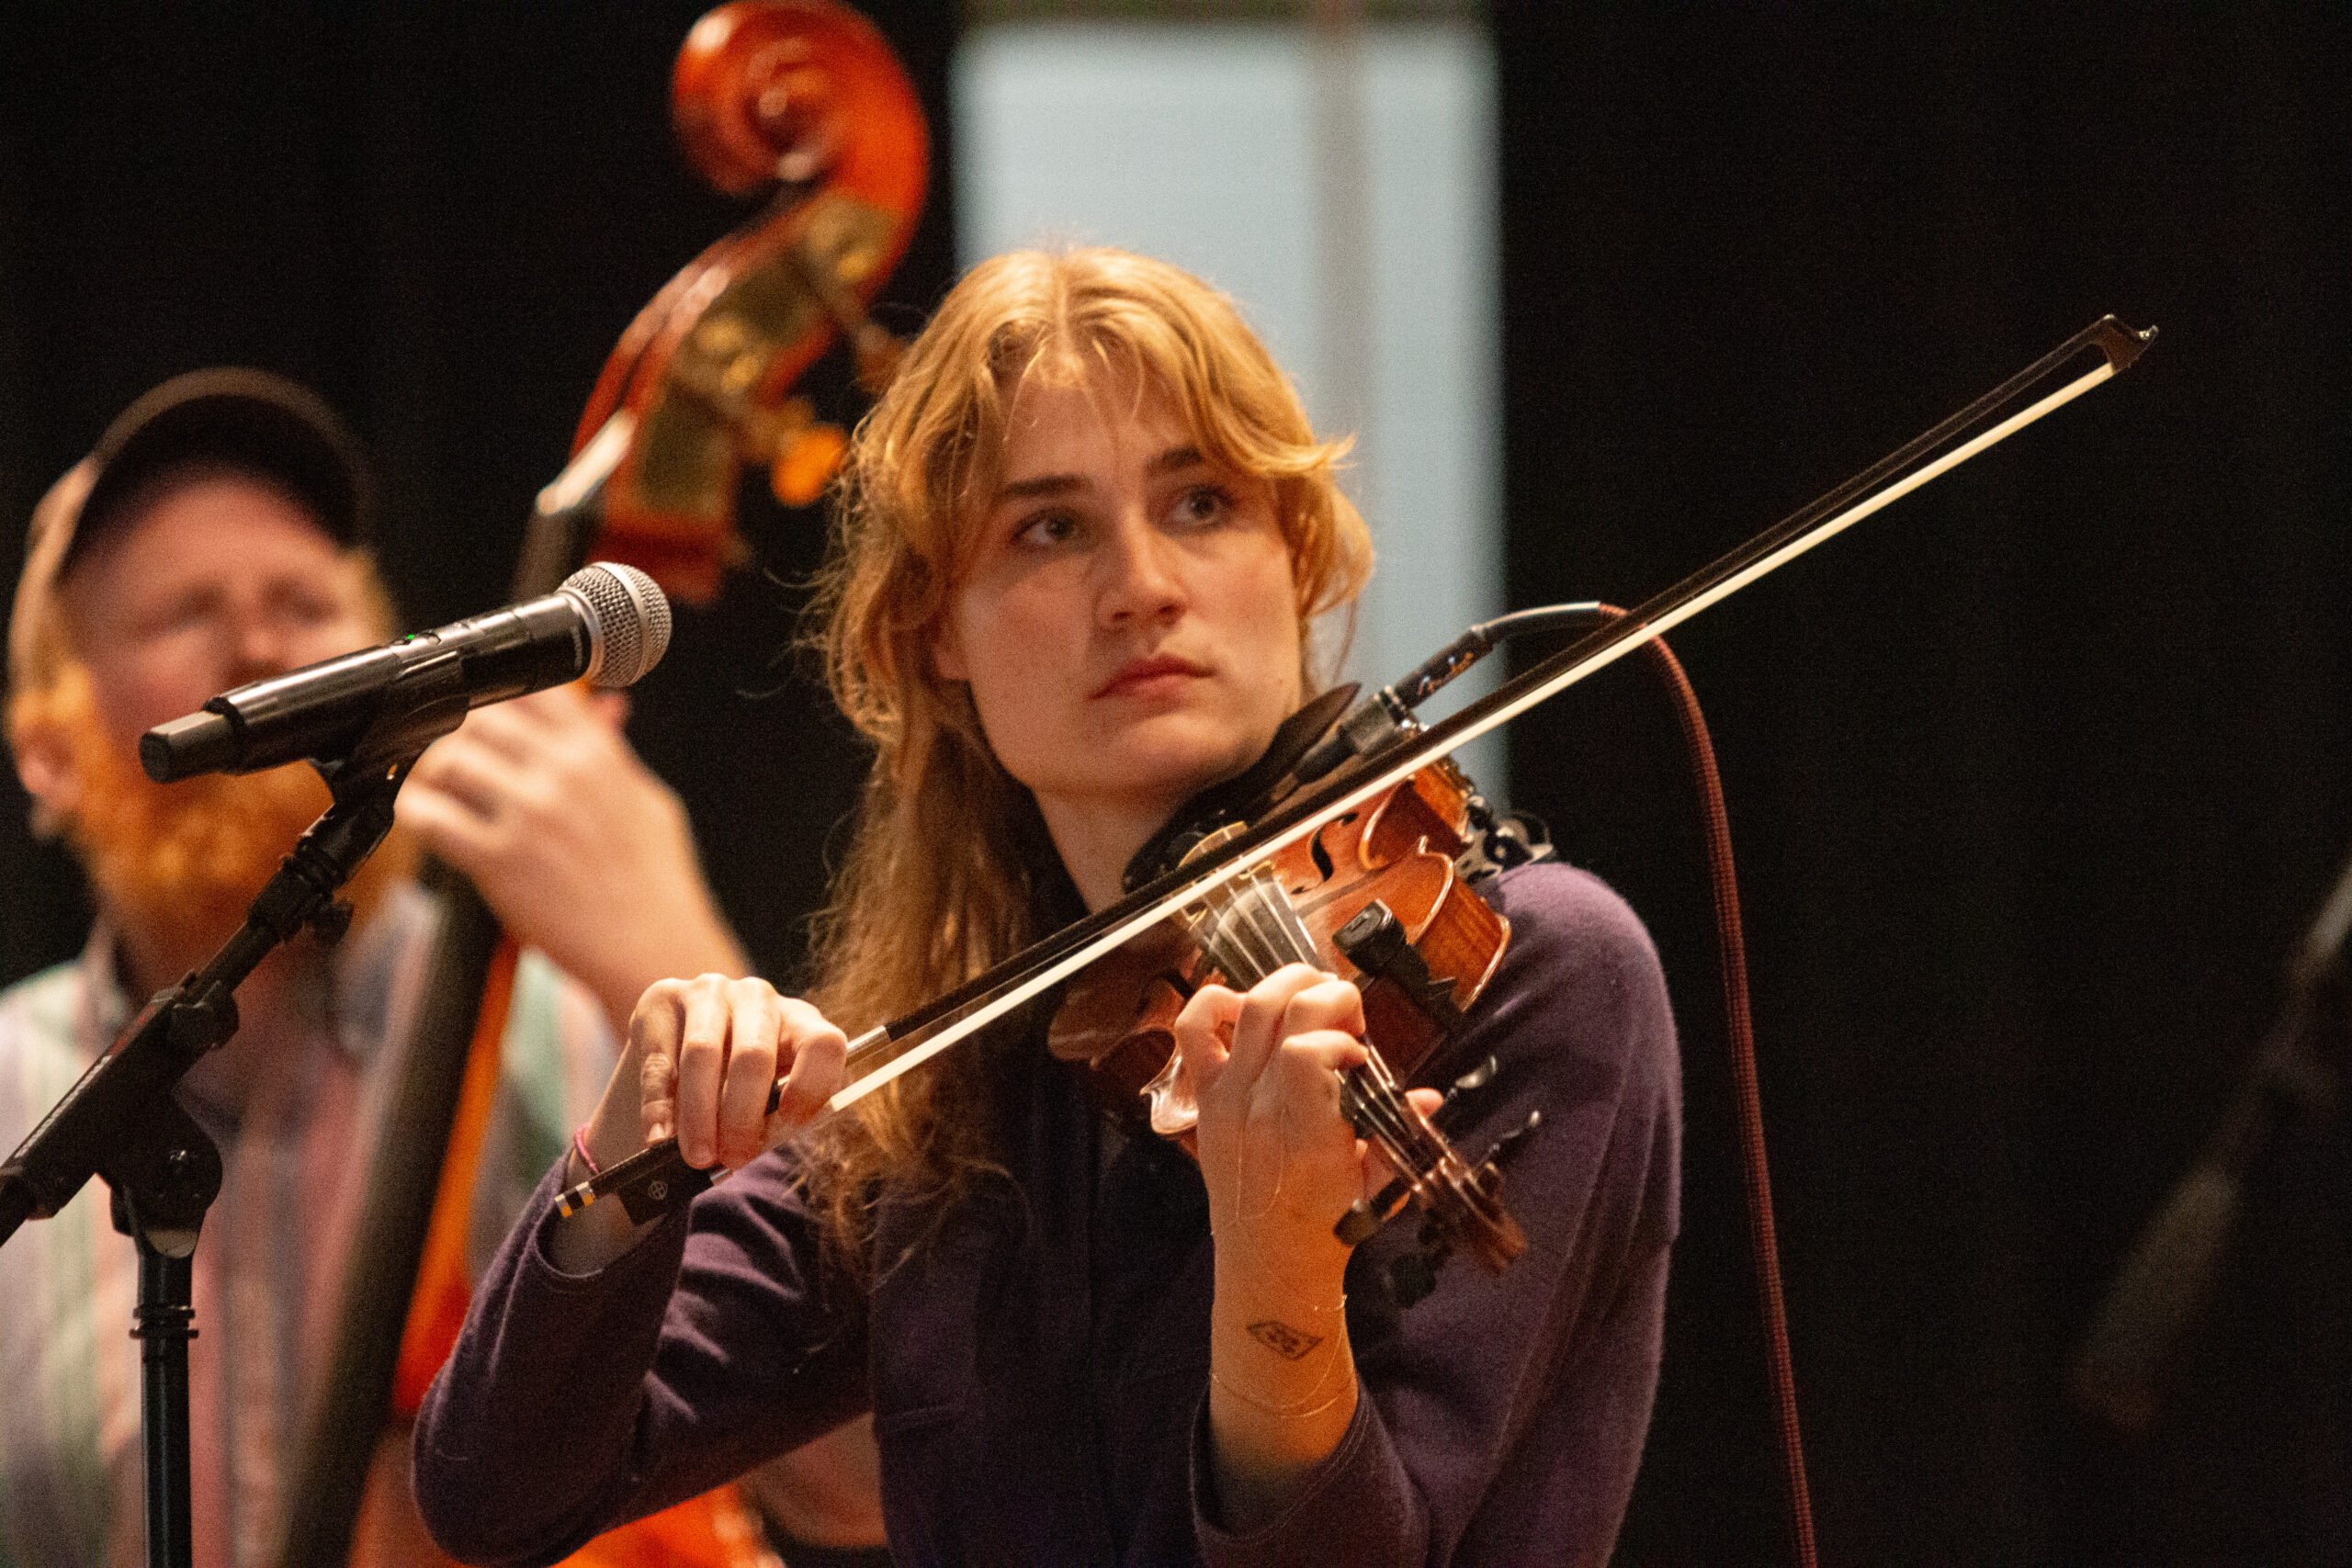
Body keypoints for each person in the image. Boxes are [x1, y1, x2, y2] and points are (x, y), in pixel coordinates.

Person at [414, 249, 1682, 1566]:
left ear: (1294, 559)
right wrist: (631, 1151)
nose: (1142, 584)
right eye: (1051, 528)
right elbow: (493, 1492)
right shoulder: (957, 1093)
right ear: (936, 631)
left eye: (1202, 503)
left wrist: (1278, 1271)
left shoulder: (1521, 971)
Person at [0, 370, 882, 1567]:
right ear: (48, 747)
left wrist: (666, 952)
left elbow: (861, 1485)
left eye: (309, 604)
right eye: (183, 615)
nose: (261, 642)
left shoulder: (581, 1035)